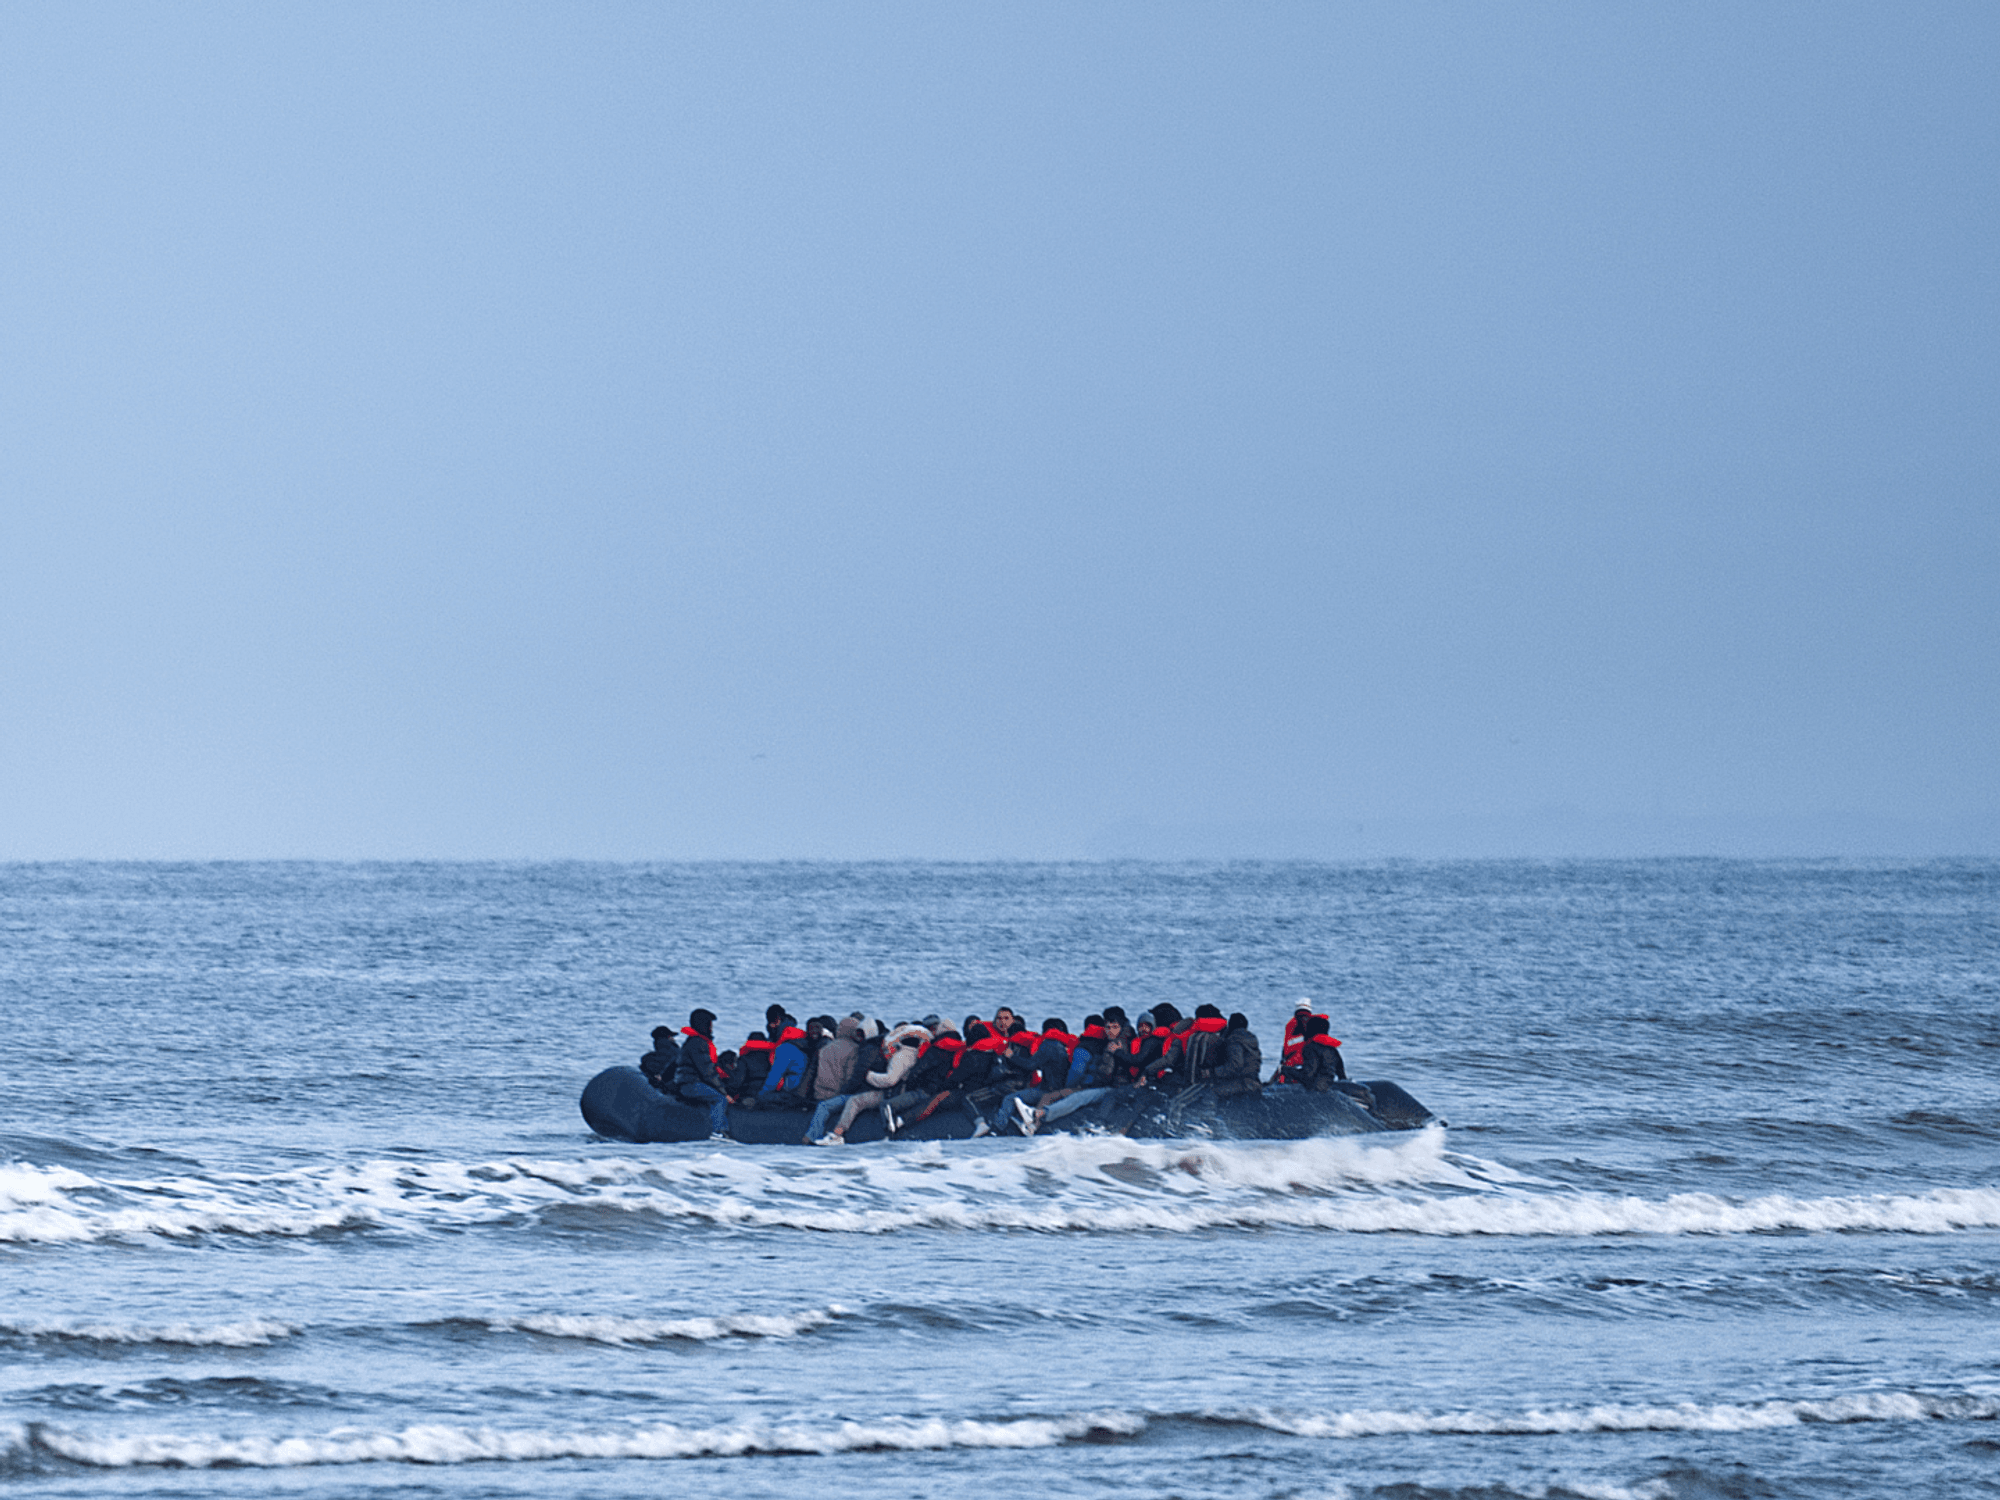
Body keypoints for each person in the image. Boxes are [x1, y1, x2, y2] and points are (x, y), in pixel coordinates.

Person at [817, 1022, 928, 1144]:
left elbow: (890, 1079)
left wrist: (868, 1075)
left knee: (855, 1101)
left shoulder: (902, 1056)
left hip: (891, 1092)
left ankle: (838, 1134)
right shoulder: (915, 1054)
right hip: (900, 1091)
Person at [1025, 1014, 1127, 1133]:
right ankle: (1033, 1124)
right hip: (1095, 1085)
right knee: (1052, 1096)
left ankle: (1039, 1115)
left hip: (1103, 1087)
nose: (1110, 1030)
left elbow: (1094, 1072)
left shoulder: (1111, 1045)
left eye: (1114, 1027)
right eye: (1108, 1027)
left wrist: (1073, 1086)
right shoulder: (1107, 1044)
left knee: (1073, 1097)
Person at [671, 1008, 732, 1139]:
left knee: (713, 1097)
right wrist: (724, 1092)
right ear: (704, 1025)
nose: (712, 1028)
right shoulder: (699, 1043)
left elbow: (674, 1064)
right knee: (719, 1099)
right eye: (710, 1025)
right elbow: (707, 1071)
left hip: (686, 1083)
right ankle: (718, 1132)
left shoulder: (691, 1042)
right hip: (691, 1084)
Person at [1280, 1014, 1347, 1089]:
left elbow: (1307, 1076)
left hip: (1315, 1090)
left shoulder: (1310, 1048)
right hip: (1329, 1086)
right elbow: (1342, 1076)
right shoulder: (1332, 1049)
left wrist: (1286, 1070)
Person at [757, 1019, 812, 1107]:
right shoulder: (804, 1045)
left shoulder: (785, 1048)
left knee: (762, 1098)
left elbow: (775, 1074)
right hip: (807, 1091)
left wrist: (762, 1093)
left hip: (792, 1091)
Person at [1211, 1013, 1262, 1099]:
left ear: (1231, 1025)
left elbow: (1235, 1066)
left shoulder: (1234, 1040)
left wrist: (1213, 1072)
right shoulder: (1250, 1039)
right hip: (1253, 1081)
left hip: (1241, 1083)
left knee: (1209, 1091)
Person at [1281, 998, 1329, 1070]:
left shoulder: (1291, 1025)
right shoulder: (1314, 1024)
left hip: (1296, 1063)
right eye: (1300, 1016)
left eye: (1305, 1016)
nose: (1303, 1019)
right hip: (1299, 1063)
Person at [638, 1026, 680, 1093]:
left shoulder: (648, 1058)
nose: (673, 1039)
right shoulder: (677, 1051)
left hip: (670, 1088)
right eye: (672, 1036)